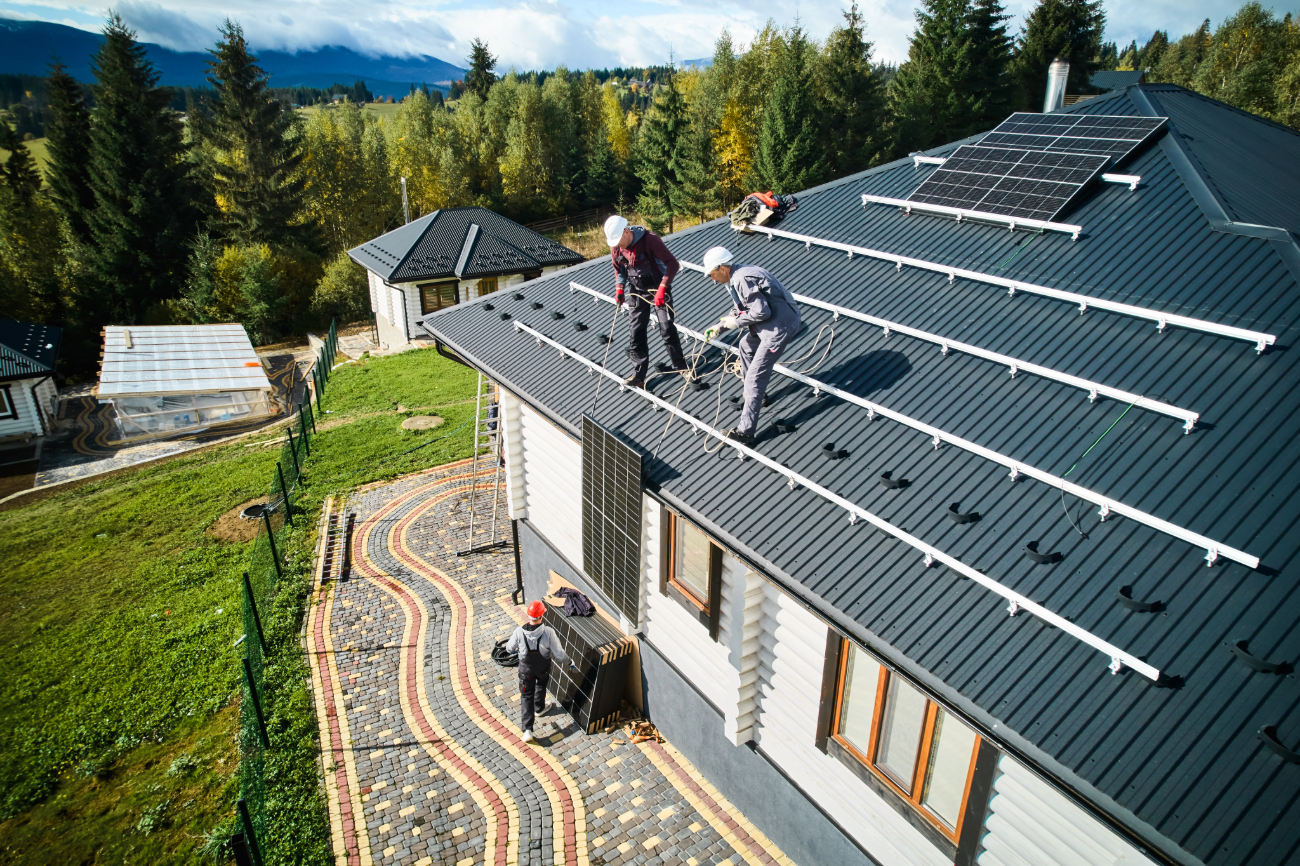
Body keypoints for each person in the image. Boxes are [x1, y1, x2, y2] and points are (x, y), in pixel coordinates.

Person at [703, 246, 802, 446]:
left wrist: (735, 323)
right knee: (745, 346)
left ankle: (746, 431)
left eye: (713, 274)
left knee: (755, 378)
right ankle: (758, 396)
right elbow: (742, 307)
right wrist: (721, 326)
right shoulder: (737, 275)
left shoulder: (742, 279)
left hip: (778, 328)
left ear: (722, 268)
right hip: (770, 325)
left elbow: (761, 312)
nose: (713, 280)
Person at [604, 214, 692, 388]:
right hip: (636, 291)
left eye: (619, 242)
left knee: (666, 327)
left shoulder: (650, 240)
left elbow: (672, 264)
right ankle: (639, 375)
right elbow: (620, 269)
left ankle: (682, 367)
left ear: (626, 232)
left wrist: (662, 288)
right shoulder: (616, 247)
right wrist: (619, 288)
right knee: (636, 331)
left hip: (658, 288)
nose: (617, 246)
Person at [504, 600, 576, 742]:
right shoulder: (548, 632)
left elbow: (508, 649)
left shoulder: (519, 631)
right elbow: (559, 654)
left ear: (529, 615)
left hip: (525, 671)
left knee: (526, 696)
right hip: (543, 668)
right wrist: (570, 662)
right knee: (541, 686)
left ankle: (528, 731)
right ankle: (539, 708)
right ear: (542, 615)